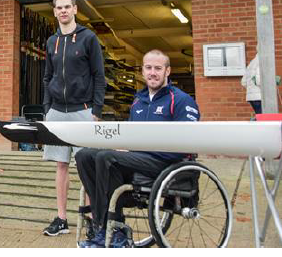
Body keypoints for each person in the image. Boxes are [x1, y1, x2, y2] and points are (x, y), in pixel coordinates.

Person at [75, 49, 200, 248]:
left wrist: (139, 149)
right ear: (142, 71)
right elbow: (130, 135)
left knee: (106, 158)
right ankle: (102, 225)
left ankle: (114, 230)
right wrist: (124, 146)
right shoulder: (138, 101)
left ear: (168, 71)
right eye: (149, 68)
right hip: (138, 159)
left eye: (158, 68)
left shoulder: (182, 100)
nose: (153, 72)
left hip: (165, 162)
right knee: (85, 155)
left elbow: (187, 143)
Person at [41, 0, 105, 236]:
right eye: (59, 8)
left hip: (83, 111)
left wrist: (96, 110)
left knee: (85, 165)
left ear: (75, 9)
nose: (64, 11)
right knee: (61, 165)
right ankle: (61, 218)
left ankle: (90, 220)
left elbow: (99, 75)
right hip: (57, 111)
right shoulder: (51, 41)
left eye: (68, 7)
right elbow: (47, 76)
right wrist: (47, 108)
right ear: (55, 12)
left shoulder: (88, 38)